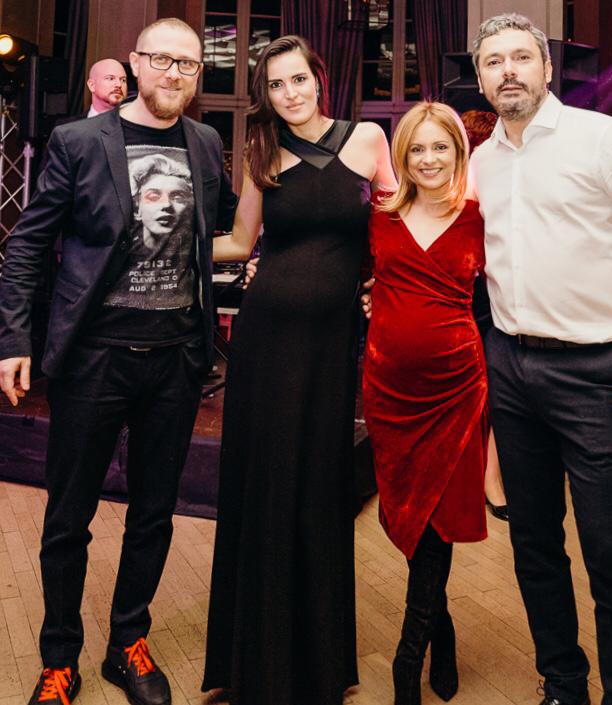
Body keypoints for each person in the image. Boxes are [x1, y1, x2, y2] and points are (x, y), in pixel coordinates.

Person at [0, 17, 237, 705]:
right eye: (161, 59)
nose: (173, 73)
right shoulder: (79, 141)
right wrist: (13, 340)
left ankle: (127, 641)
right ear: (135, 62)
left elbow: (218, 230)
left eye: (187, 64)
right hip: (94, 358)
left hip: (175, 361)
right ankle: (58, 657)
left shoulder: (206, 143)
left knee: (154, 514)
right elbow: (27, 244)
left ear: (198, 74)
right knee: (68, 517)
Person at [471, 13, 612, 705]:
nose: (508, 70)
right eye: (493, 60)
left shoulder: (605, 141)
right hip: (511, 368)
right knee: (533, 545)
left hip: (600, 375)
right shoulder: (481, 161)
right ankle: (563, 684)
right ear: (480, 78)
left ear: (546, 67)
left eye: (520, 57)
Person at [202, 34, 394, 705]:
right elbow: (239, 242)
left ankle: (316, 665)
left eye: (298, 79)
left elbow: (395, 223)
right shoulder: (262, 150)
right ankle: (254, 663)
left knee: (318, 487)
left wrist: (387, 280)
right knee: (267, 484)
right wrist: (163, 240)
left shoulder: (368, 139)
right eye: (276, 85)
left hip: (330, 345)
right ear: (266, 95)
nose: (290, 94)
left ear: (319, 78)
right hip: (265, 342)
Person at [363, 101, 487, 705]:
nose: (429, 159)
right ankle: (443, 631)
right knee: (408, 516)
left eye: (441, 147)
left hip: (457, 390)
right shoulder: (379, 217)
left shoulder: (480, 216)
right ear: (402, 157)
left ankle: (406, 662)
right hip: (389, 392)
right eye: (417, 149)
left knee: (437, 519)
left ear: (458, 153)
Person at [460, 109, 508, 521]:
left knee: (494, 392)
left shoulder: (506, 185)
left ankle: (492, 479)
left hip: (495, 301)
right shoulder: (450, 189)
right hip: (461, 303)